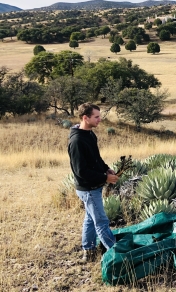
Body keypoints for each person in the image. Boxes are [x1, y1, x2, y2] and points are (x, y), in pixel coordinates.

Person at [68, 103, 119, 262]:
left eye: (99, 115)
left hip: (94, 186)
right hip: (88, 189)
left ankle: (88, 252)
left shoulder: (90, 134)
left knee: (90, 219)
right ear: (85, 118)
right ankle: (116, 254)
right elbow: (81, 171)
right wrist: (105, 178)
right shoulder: (77, 141)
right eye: (96, 116)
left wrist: (106, 169)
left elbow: (96, 159)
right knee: (101, 221)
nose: (100, 119)